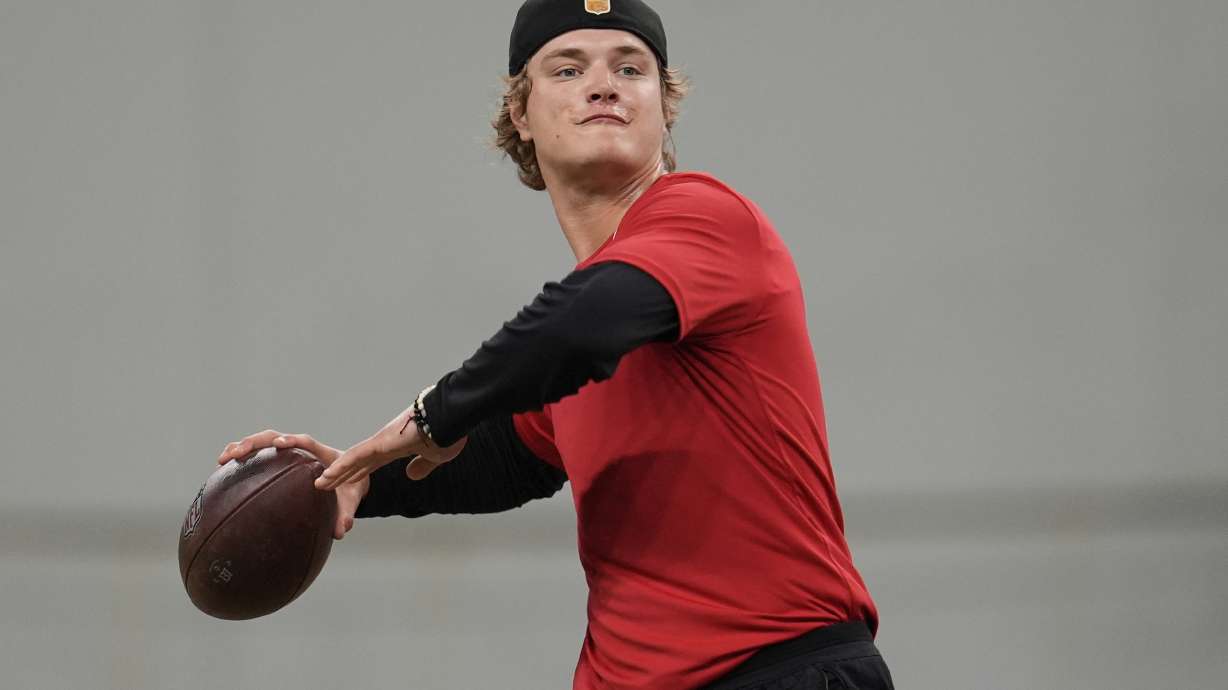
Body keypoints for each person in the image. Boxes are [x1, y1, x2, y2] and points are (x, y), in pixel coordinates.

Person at [216, 1, 894, 688]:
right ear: (521, 114)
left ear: (665, 108)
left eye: (630, 69)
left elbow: (576, 330)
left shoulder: (706, 222)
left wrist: (434, 411)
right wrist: (354, 478)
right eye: (568, 68)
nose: (604, 84)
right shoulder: (581, 327)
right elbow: (511, 457)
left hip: (776, 668)